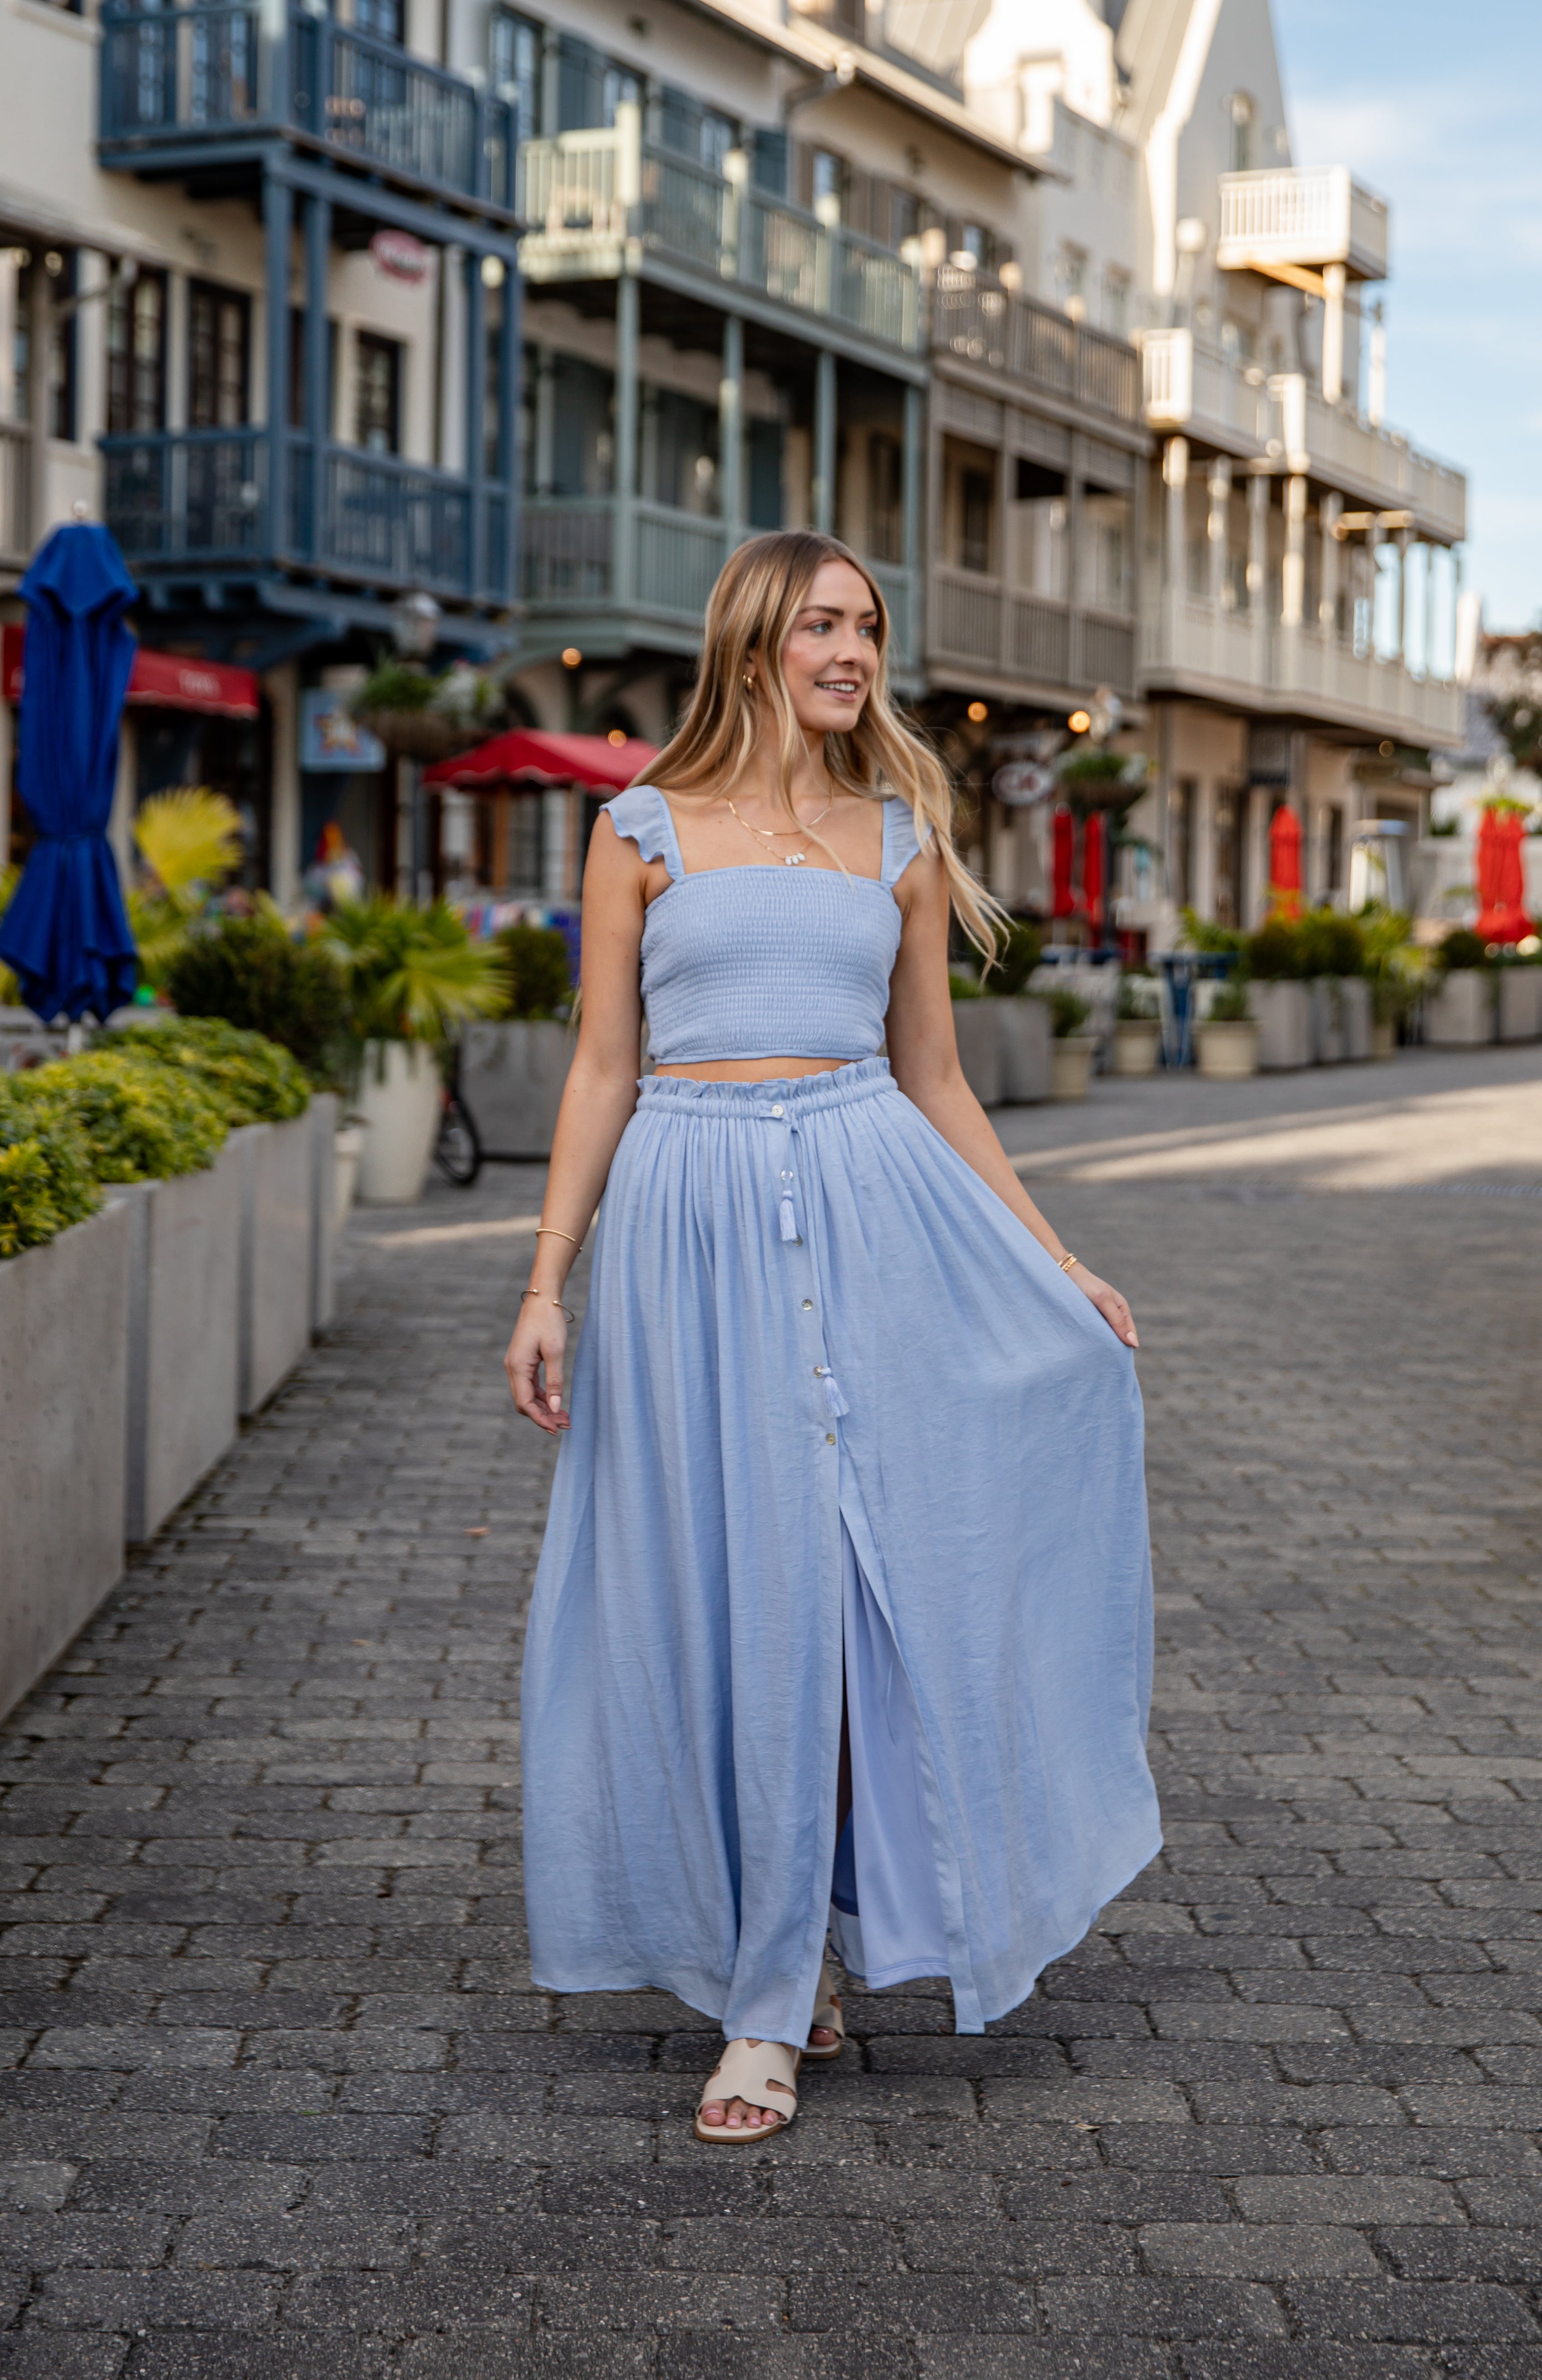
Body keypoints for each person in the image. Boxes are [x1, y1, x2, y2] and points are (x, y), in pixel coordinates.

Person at [506, 531, 1159, 2144]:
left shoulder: (898, 839)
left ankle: (774, 1998)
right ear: (751, 648)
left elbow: (936, 1078)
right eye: (821, 624)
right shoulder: (639, 831)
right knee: (729, 1593)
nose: (852, 650)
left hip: (872, 1214)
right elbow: (600, 1067)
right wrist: (544, 1281)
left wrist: (1051, 1256)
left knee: (849, 1589)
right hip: (686, 1227)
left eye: (868, 624)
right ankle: (781, 1961)